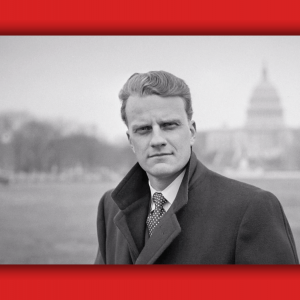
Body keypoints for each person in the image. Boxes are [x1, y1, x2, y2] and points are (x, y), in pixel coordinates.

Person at [95, 70, 299, 264]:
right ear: (130, 140)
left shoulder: (251, 208)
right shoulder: (111, 207)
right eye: (143, 129)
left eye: (169, 126)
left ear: (192, 132)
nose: (157, 140)